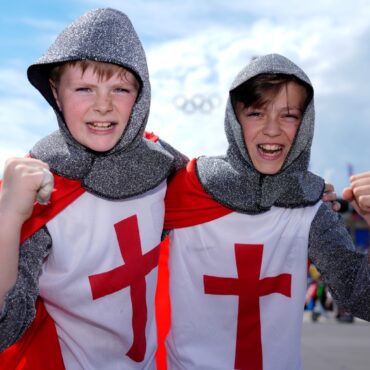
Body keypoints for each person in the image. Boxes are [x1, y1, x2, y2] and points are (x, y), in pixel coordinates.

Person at [0, 8, 186, 370]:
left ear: (141, 95)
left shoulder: (161, 164)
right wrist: (7, 218)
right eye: (85, 88)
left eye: (120, 88)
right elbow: (7, 324)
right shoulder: (40, 186)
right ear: (56, 92)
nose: (103, 104)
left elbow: (219, 197)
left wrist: (298, 188)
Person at [163, 53, 370, 370]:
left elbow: (361, 297)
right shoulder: (187, 188)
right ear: (235, 119)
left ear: (305, 124)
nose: (272, 129)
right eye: (256, 113)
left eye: (288, 115)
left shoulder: (311, 208)